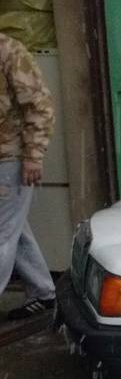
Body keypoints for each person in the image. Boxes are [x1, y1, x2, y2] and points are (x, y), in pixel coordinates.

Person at [0, 31, 55, 320]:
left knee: (3, 232)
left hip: (8, 159)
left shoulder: (9, 51)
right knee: (13, 229)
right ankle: (44, 292)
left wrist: (33, 156)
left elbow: (39, 105)